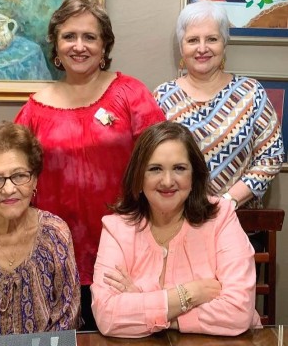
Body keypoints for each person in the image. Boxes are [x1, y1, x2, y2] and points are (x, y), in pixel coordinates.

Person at [0, 0, 165, 330]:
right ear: (55, 46)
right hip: (53, 254)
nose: (79, 46)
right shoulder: (35, 109)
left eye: (90, 36)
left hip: (124, 249)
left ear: (105, 46)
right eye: (69, 36)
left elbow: (163, 163)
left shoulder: (131, 94)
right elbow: (9, 171)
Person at [91, 121, 261, 338]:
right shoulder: (117, 228)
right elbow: (108, 316)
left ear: (194, 176)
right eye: (155, 169)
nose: (168, 181)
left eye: (179, 168)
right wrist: (190, 294)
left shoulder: (221, 217)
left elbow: (238, 312)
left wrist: (145, 309)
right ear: (138, 176)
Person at [153, 0, 284, 253]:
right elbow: (151, 163)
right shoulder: (161, 97)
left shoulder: (250, 93)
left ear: (225, 43)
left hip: (239, 228)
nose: (202, 48)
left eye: (212, 39)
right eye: (193, 40)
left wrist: (228, 201)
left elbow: (272, 156)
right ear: (182, 46)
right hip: (175, 230)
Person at [0, 122, 81, 337]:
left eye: (19, 176)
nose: (9, 189)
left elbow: (67, 315)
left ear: (34, 178)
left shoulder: (55, 233)